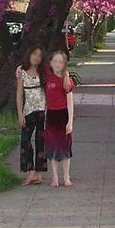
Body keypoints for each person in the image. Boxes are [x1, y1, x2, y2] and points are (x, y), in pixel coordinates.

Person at [16, 46, 47, 186]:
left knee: (41, 142)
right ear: (29, 54)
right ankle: (30, 171)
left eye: (39, 56)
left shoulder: (44, 72)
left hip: (42, 111)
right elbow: (19, 95)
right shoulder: (22, 72)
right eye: (34, 54)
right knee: (25, 141)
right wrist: (20, 113)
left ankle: (39, 174)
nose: (36, 57)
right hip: (28, 110)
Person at [44, 50, 75, 187]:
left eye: (60, 62)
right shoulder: (47, 78)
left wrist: (70, 122)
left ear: (64, 64)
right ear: (50, 63)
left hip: (63, 115)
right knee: (52, 146)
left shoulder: (66, 80)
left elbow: (70, 102)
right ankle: (55, 177)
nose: (57, 64)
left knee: (64, 147)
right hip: (51, 115)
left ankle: (66, 176)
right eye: (55, 61)